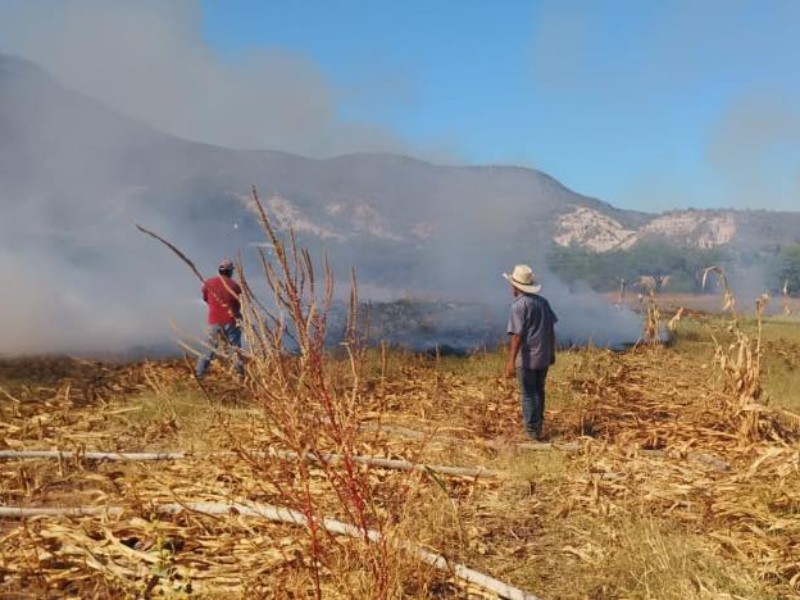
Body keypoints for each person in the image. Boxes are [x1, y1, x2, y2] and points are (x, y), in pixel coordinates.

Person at [503, 264, 558, 441]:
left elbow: (517, 336)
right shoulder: (543, 303)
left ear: (515, 286)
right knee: (539, 391)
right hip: (543, 355)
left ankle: (532, 432)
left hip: (527, 358)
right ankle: (538, 427)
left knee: (528, 394)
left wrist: (511, 361)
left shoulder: (518, 306)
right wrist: (552, 352)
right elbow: (551, 329)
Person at [196, 259, 244, 379]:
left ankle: (200, 374)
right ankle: (240, 375)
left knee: (209, 349)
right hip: (232, 321)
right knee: (235, 350)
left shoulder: (209, 283)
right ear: (230, 272)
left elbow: (206, 299)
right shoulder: (235, 286)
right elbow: (238, 304)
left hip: (214, 321)